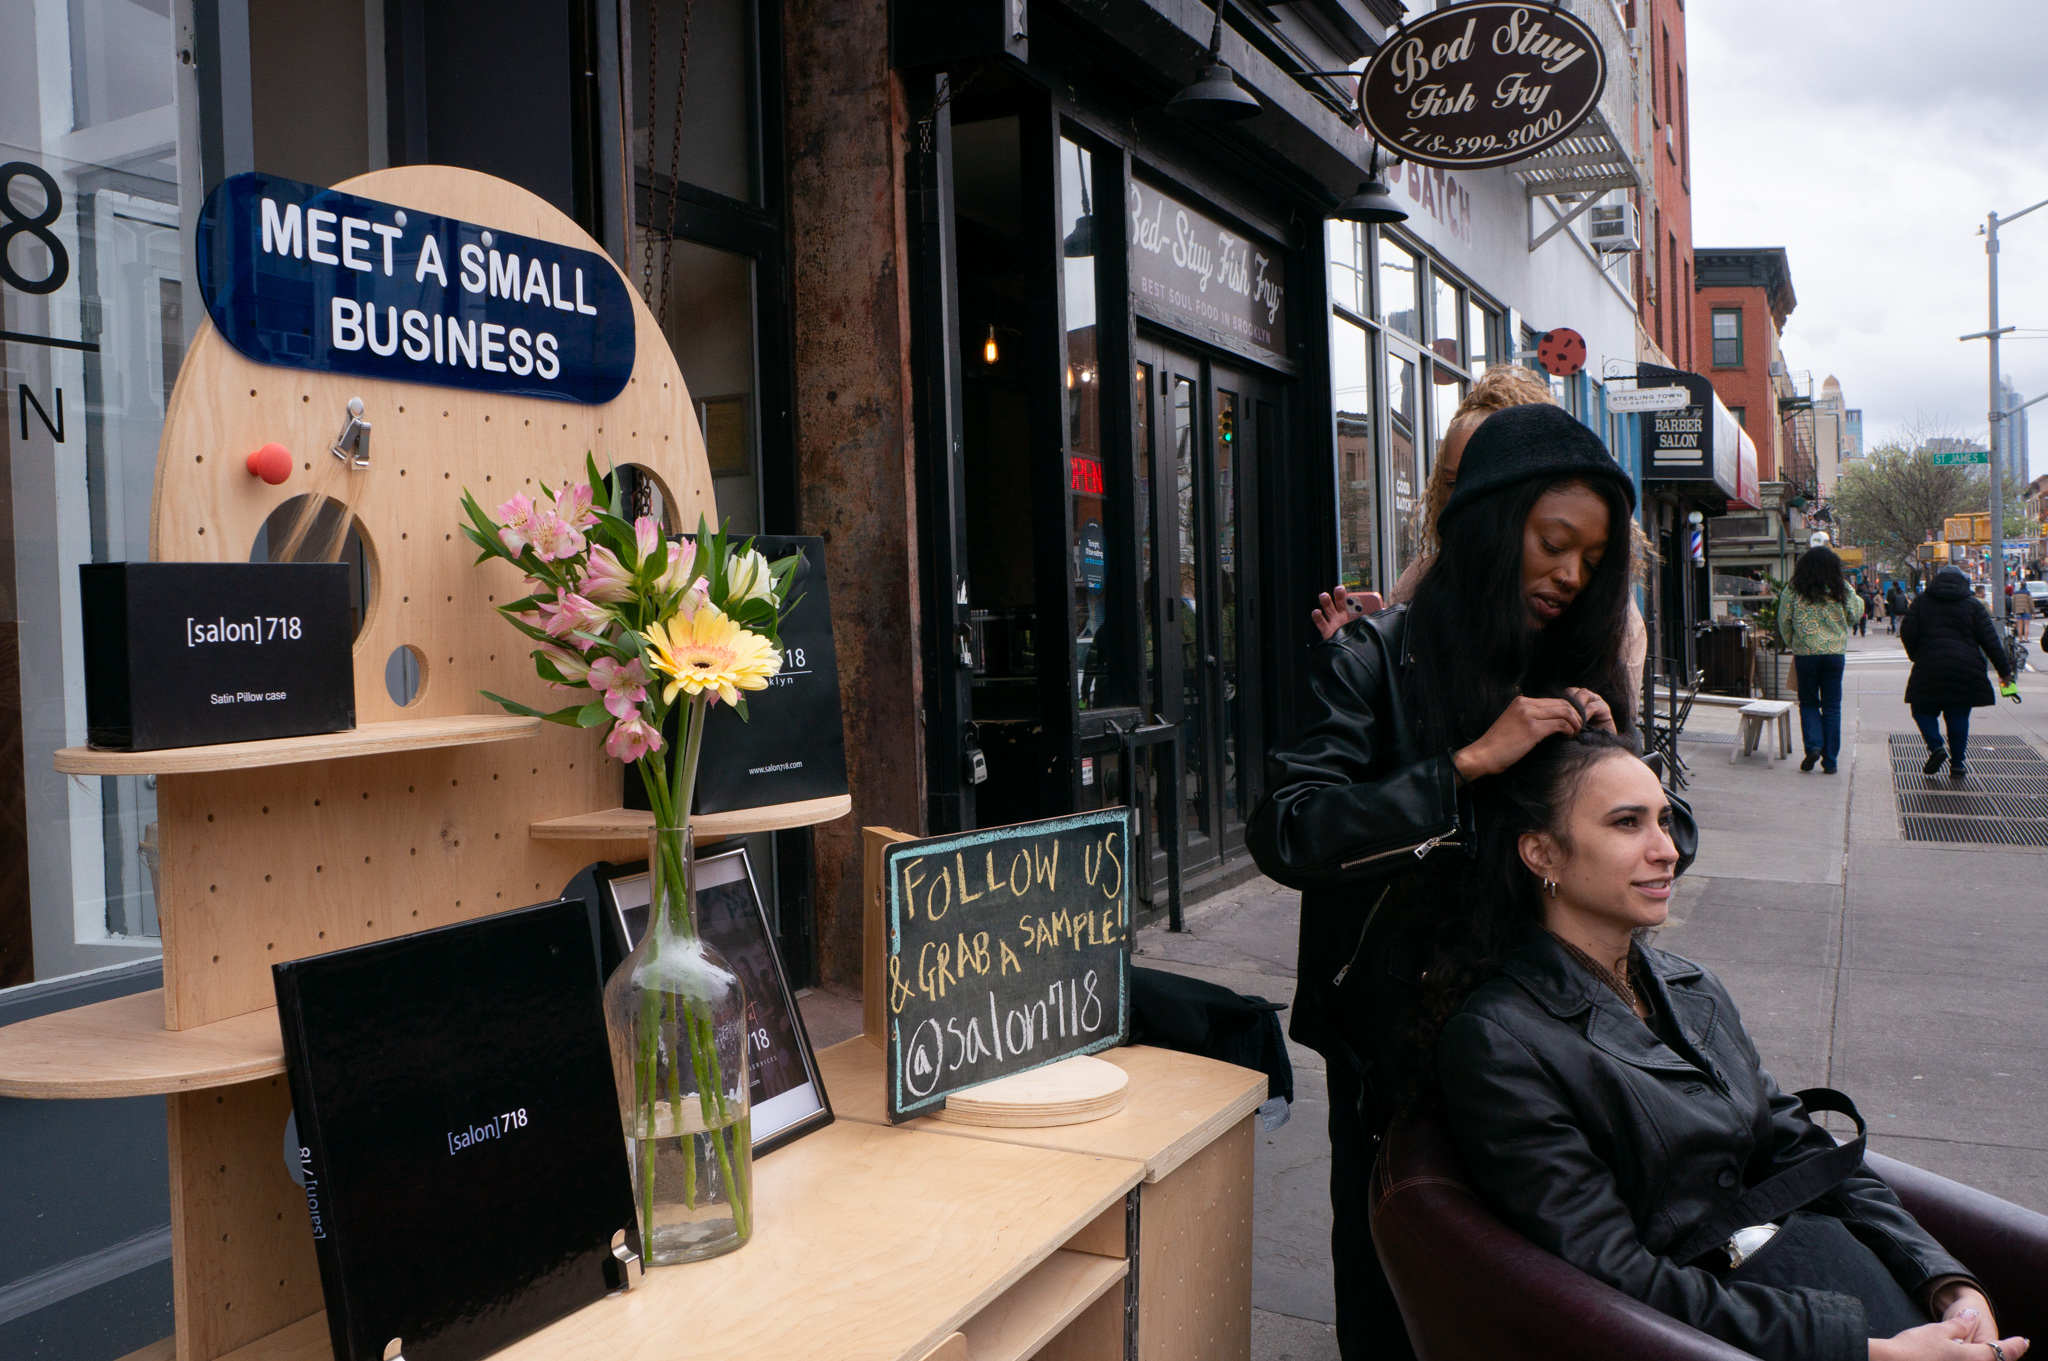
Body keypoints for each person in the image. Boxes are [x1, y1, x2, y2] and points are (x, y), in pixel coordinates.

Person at [1418, 726, 2024, 1361]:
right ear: (1542, 854)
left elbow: (1803, 1152)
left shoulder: (1689, 986)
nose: (1667, 849)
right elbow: (1611, 1276)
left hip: (1828, 1275)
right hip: (1732, 1332)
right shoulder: (1499, 1041)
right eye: (1628, 824)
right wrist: (1866, 1351)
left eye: (1665, 818)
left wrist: (1944, 1281)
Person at [1249, 403, 1645, 1361]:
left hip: (1547, 1037)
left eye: (1591, 559)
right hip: (1391, 1036)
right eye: (1555, 544)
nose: (1569, 575)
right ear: (1492, 525)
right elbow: (1289, 829)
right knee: (1393, 1279)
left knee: (1537, 1288)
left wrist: (1606, 774)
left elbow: (1666, 847)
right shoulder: (1372, 659)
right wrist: (1463, 765)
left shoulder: (1575, 668)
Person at [1309, 365, 1651, 695]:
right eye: (1452, 482)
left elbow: (1617, 730)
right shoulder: (1422, 582)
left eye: (1486, 486)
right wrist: (1360, 662)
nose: (1465, 502)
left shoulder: (1601, 621)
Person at [1901, 565, 2018, 779]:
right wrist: (2004, 670)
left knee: (1922, 710)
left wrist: (1916, 654)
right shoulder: (1972, 605)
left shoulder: (1922, 602)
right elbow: (1990, 641)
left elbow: (1907, 631)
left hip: (1930, 665)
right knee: (1958, 715)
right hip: (1965, 667)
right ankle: (1957, 764)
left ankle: (1936, 747)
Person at [1778, 546, 1864, 774]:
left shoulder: (1794, 588)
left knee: (1808, 703)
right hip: (1834, 654)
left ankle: (1813, 746)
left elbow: (1784, 621)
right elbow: (1855, 615)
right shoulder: (1841, 587)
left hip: (1806, 654)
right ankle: (1831, 762)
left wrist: (1795, 643)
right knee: (1832, 706)